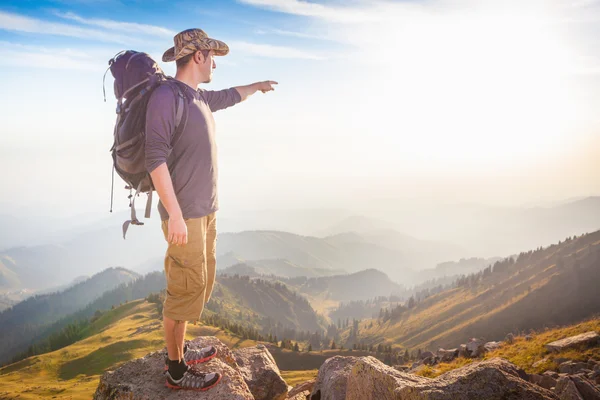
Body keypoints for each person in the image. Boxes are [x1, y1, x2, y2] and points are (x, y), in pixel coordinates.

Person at [145, 28, 277, 391]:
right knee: (184, 288)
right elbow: (154, 157)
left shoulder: (198, 97)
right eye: (212, 56)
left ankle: (180, 348)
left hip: (205, 211)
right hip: (184, 213)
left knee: (199, 284)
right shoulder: (167, 97)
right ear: (198, 57)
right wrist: (173, 214)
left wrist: (257, 86)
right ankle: (175, 369)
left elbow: (230, 95)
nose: (215, 63)